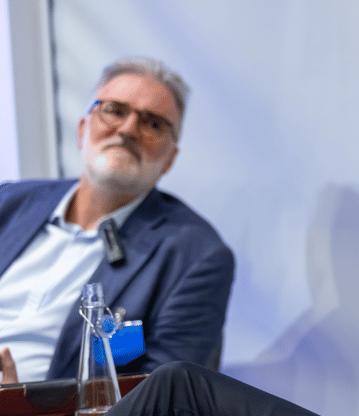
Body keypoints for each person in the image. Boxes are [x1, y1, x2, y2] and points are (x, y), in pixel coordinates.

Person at [0, 57, 234, 384]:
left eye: (153, 123)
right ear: (83, 130)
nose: (127, 130)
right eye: (114, 110)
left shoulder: (195, 255)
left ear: (170, 158)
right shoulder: (7, 201)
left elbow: (169, 397)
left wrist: (15, 403)